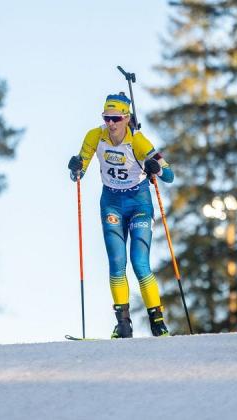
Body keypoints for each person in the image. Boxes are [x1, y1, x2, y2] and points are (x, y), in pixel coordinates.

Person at [67, 93, 174, 338]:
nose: (111, 124)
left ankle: (157, 321)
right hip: (112, 203)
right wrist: (75, 167)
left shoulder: (139, 142)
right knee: (116, 262)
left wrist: (156, 167)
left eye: (115, 118)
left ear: (126, 118)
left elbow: (169, 175)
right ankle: (123, 323)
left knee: (139, 261)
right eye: (107, 118)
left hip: (139, 203)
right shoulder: (95, 136)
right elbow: (79, 171)